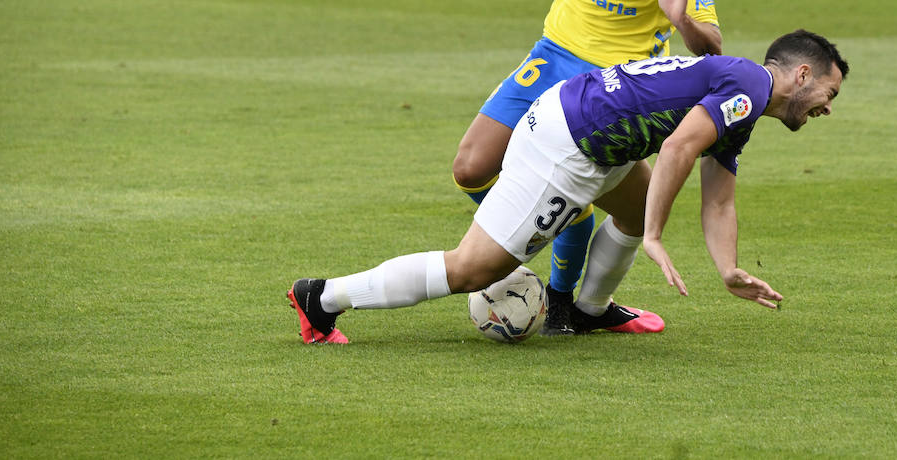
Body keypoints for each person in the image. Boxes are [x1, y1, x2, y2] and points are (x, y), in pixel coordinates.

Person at [287, 30, 849, 344]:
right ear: (802, 75)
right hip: (569, 146)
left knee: (629, 210)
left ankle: (586, 309)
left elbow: (719, 195)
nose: (828, 107)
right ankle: (323, 297)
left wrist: (727, 269)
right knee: (472, 269)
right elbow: (678, 147)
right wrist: (656, 234)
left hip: (594, 133)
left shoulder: (743, 102)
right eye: (830, 91)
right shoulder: (750, 85)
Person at [451, 0, 722, 334]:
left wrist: (681, 17)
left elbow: (712, 48)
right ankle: (558, 226)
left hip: (610, 87)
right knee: (470, 168)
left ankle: (563, 305)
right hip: (553, 53)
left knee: (623, 207)